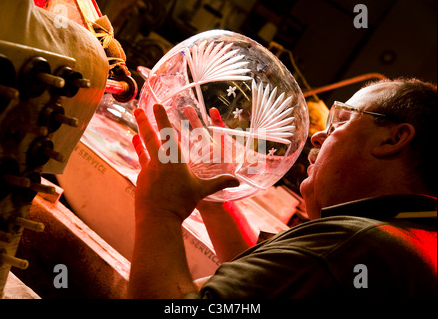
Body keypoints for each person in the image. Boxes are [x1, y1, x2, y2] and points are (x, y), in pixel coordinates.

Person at [127, 77, 437, 299]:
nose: (318, 137)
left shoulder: (354, 246)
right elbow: (271, 285)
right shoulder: (410, 237)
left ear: (393, 139)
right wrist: (214, 199)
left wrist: (160, 210)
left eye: (341, 121)